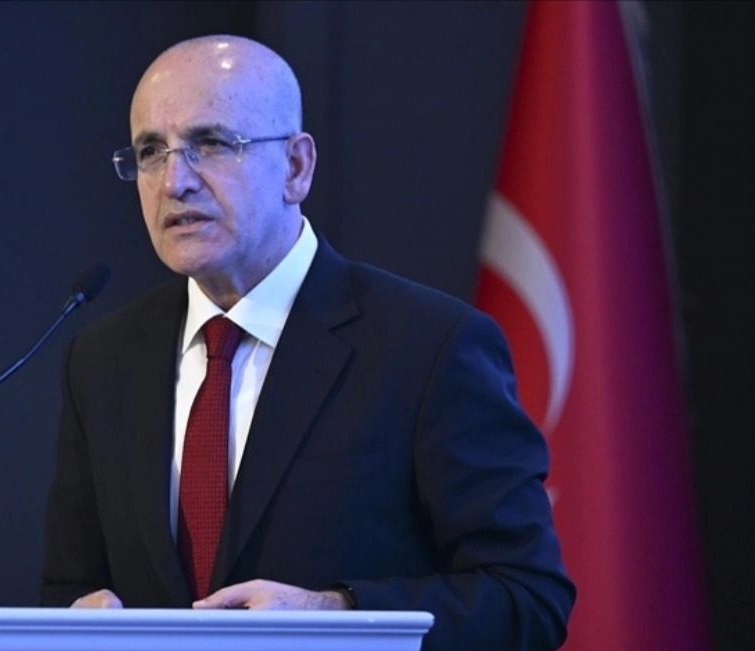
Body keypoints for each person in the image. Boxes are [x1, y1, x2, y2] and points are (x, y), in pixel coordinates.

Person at [40, 34, 575, 650]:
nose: (173, 182)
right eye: (150, 152)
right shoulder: (103, 361)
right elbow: (68, 587)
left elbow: (526, 597)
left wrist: (336, 613)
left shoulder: (429, 348)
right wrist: (78, 618)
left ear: (295, 167)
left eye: (211, 143)